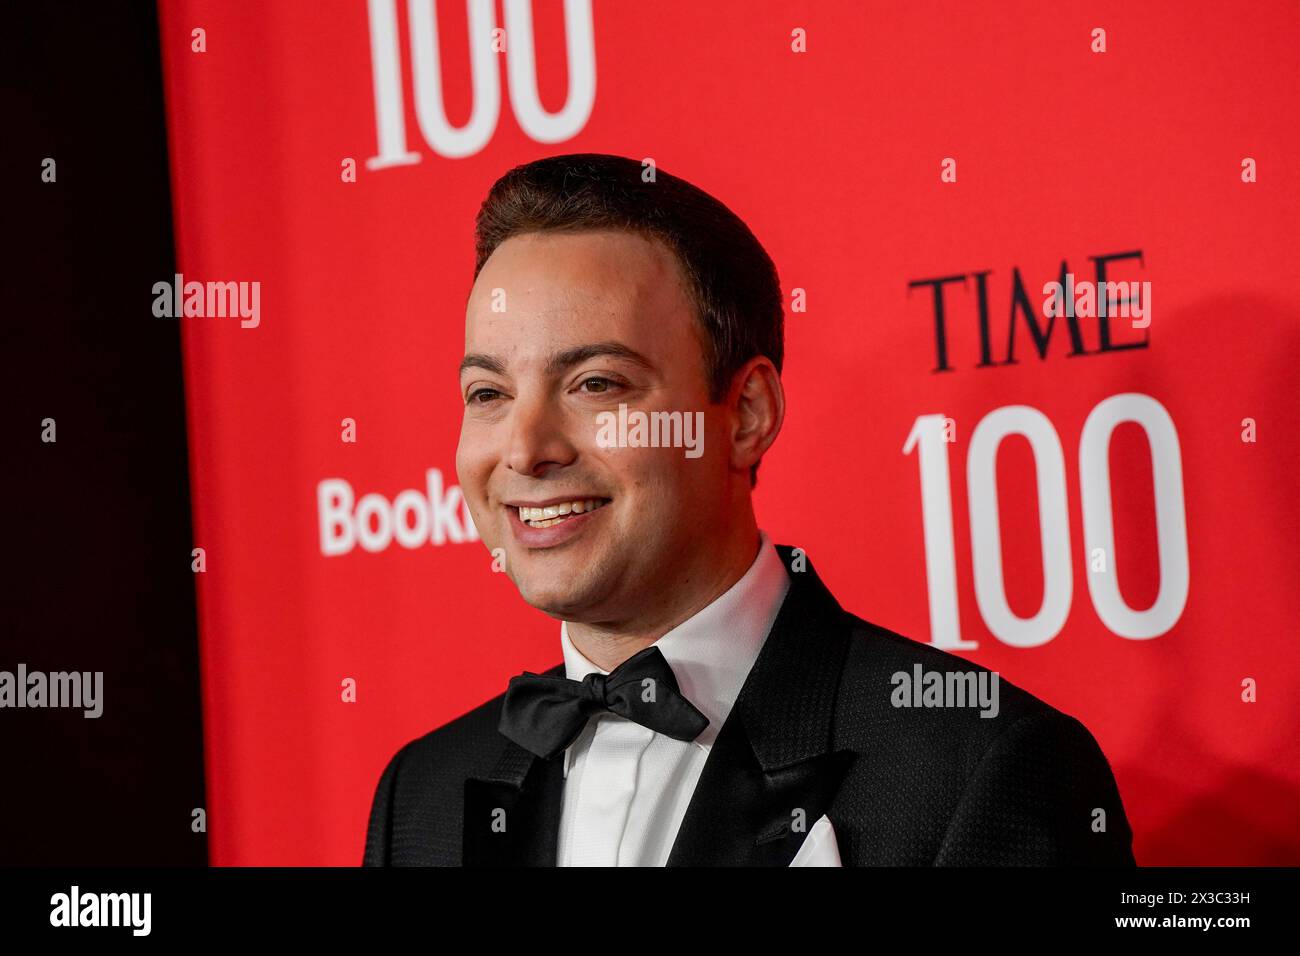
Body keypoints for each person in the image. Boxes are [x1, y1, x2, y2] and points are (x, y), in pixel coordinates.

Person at [362, 153, 1136, 866]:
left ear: (745, 414)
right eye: (488, 394)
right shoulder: (421, 797)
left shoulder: (977, 770)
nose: (526, 449)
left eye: (596, 384)